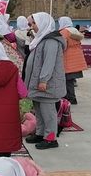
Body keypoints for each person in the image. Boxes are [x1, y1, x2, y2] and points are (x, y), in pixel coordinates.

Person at [23, 12, 66, 150]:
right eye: (30, 24)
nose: (31, 27)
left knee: (48, 113)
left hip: (47, 83)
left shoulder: (51, 41)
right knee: (39, 110)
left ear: (42, 23)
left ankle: (50, 138)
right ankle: (41, 133)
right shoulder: (41, 39)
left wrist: (43, 80)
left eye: (33, 24)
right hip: (37, 83)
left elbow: (49, 62)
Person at [58, 16, 87, 105]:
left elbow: (63, 45)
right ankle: (71, 97)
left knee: (66, 80)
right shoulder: (74, 31)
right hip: (76, 58)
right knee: (70, 80)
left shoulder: (64, 32)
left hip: (68, 58)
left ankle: (70, 98)